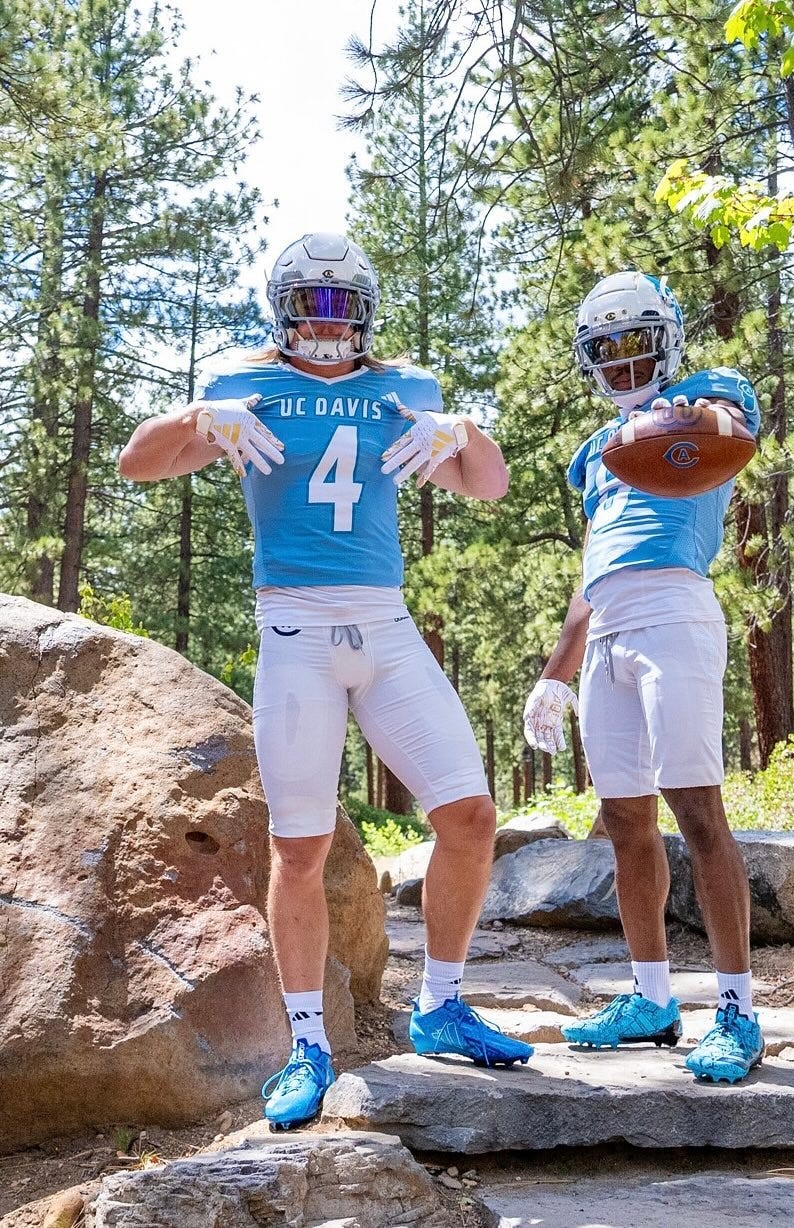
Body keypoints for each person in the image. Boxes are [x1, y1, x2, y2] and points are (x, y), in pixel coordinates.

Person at [119, 232, 532, 1132]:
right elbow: (136, 462)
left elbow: (488, 486)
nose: (328, 322)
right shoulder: (245, 382)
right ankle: (307, 1044)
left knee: (469, 817)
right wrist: (199, 419)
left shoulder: (404, 388)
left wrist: (465, 431)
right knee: (299, 847)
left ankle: (441, 1005)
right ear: (281, 309)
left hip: (386, 624)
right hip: (295, 630)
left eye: (343, 306)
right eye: (312, 304)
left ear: (366, 312)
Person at [522, 270, 764, 1084]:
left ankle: (736, 1011)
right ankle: (652, 998)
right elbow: (594, 564)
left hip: (673, 611)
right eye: (606, 348)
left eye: (635, 342)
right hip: (609, 627)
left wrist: (691, 411)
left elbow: (727, 424)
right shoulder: (598, 450)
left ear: (665, 341)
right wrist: (556, 671)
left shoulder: (703, 397)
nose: (622, 361)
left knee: (695, 809)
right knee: (623, 819)